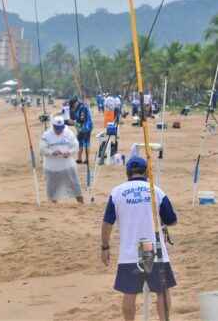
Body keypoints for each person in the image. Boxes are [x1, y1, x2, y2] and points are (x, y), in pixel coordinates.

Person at [101, 156, 177, 321]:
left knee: (129, 293)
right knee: (162, 290)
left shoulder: (117, 192)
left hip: (130, 251)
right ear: (146, 171)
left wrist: (105, 247)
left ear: (127, 172)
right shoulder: (155, 190)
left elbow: (107, 223)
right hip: (151, 246)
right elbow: (172, 220)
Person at [40, 115, 83, 203]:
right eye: (56, 128)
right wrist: (52, 152)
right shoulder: (46, 135)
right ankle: (53, 205)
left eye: (60, 128)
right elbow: (42, 149)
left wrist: (69, 152)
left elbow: (75, 145)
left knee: (75, 185)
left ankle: (81, 203)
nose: (59, 130)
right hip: (52, 167)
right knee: (52, 187)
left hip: (67, 166)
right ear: (53, 126)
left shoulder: (69, 133)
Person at [68, 96, 93, 164]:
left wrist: (75, 123)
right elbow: (74, 120)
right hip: (80, 127)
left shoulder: (83, 108)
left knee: (86, 143)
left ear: (76, 103)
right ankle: (79, 158)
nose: (72, 107)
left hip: (87, 127)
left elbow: (82, 120)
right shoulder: (74, 109)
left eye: (73, 105)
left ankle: (87, 159)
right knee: (80, 142)